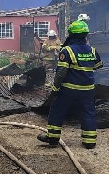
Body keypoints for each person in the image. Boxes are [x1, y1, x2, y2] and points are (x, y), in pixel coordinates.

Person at [37, 20, 103, 149]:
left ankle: (53, 138)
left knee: (57, 110)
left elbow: (61, 73)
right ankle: (89, 141)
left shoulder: (67, 50)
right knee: (88, 113)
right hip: (88, 90)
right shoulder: (92, 50)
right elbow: (98, 66)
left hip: (69, 90)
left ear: (71, 34)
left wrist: (55, 89)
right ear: (85, 35)